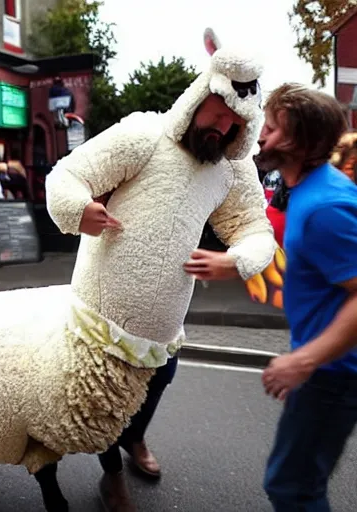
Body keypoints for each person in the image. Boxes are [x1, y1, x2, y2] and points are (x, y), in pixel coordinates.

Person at [45, 28, 276, 511]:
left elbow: (255, 230)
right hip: (101, 308)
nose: (222, 126)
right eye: (218, 112)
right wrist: (78, 207)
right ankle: (112, 475)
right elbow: (68, 174)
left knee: (159, 379)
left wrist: (236, 260)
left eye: (235, 122)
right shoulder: (143, 135)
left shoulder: (231, 170)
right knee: (98, 396)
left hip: (164, 321)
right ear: (200, 97)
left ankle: (134, 440)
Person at [255, 83, 357, 511]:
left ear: (305, 143)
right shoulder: (307, 189)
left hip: (334, 375)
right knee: (294, 484)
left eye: (274, 128)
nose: (262, 135)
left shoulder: (325, 208)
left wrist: (304, 361)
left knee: (293, 488)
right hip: (326, 368)